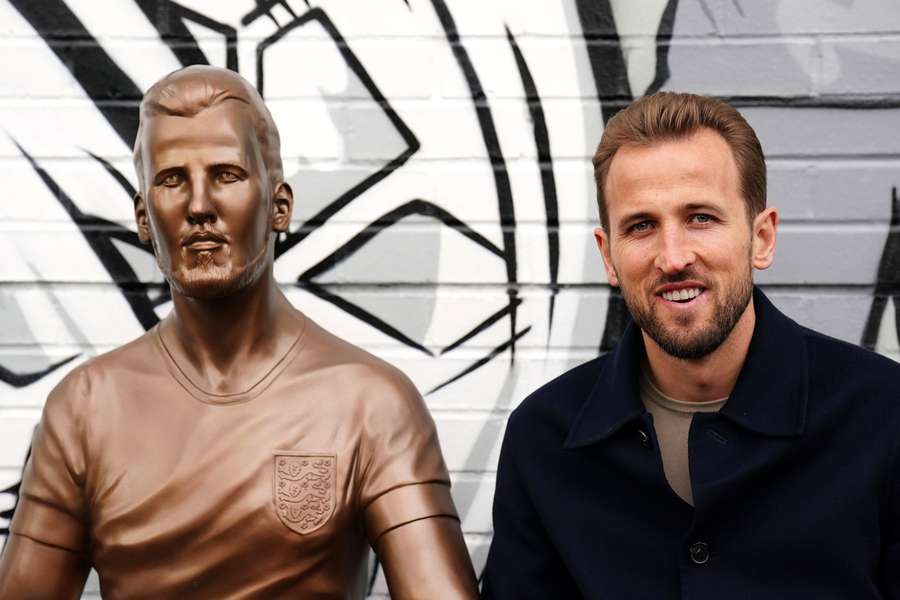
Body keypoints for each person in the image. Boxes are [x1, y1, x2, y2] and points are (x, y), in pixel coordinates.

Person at [0, 65, 478, 599]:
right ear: (143, 218)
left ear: (279, 205)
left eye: (226, 174)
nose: (199, 205)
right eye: (172, 179)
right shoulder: (85, 410)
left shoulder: (371, 405)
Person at [481, 92, 900, 598]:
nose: (673, 257)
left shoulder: (883, 415)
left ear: (761, 237)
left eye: (701, 217)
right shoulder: (545, 438)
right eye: (641, 226)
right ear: (608, 256)